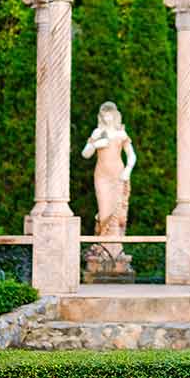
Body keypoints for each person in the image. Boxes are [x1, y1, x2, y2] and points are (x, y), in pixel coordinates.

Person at [81, 102, 137, 268]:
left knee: (118, 212)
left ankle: (115, 248)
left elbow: (132, 155)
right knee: (105, 211)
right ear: (101, 116)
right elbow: (85, 154)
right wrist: (95, 144)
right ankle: (102, 247)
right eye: (104, 114)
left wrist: (128, 169)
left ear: (115, 115)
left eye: (110, 114)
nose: (107, 117)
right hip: (102, 177)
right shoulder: (97, 132)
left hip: (118, 175)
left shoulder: (121, 133)